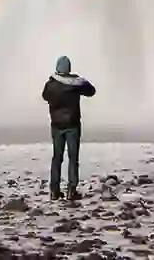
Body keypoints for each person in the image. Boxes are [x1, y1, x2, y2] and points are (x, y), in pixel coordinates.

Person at [41, 55, 96, 201]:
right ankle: (71, 190)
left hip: (56, 126)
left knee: (57, 158)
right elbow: (91, 91)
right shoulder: (75, 83)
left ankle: (54, 190)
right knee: (73, 158)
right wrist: (80, 80)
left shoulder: (50, 84)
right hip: (72, 126)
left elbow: (45, 96)